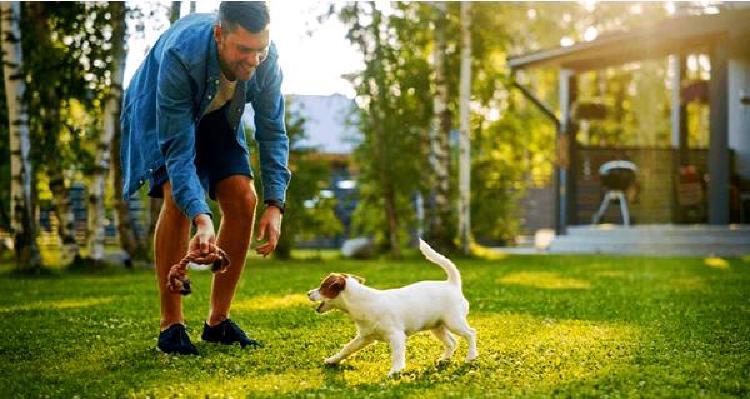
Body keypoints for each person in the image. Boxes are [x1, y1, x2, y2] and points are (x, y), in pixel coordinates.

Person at [120, 2, 290, 355]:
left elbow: (273, 131)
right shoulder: (183, 55)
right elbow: (179, 154)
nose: (253, 60)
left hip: (218, 114)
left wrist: (276, 204)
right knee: (177, 201)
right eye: (243, 50)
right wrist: (202, 217)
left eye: (260, 49)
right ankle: (171, 326)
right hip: (166, 111)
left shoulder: (266, 58)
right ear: (219, 34)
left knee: (244, 200)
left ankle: (217, 322)